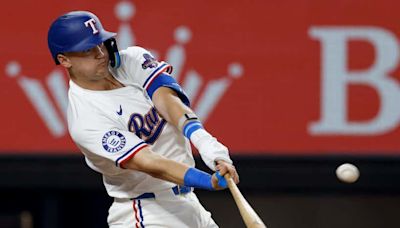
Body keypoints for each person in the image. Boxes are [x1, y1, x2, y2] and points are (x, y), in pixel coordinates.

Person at [47, 11, 239, 228]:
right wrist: (208, 180)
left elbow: (167, 101)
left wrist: (204, 142)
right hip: (146, 212)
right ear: (64, 60)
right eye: (87, 49)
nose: (100, 53)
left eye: (100, 43)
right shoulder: (85, 120)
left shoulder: (131, 59)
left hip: (189, 203)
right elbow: (150, 162)